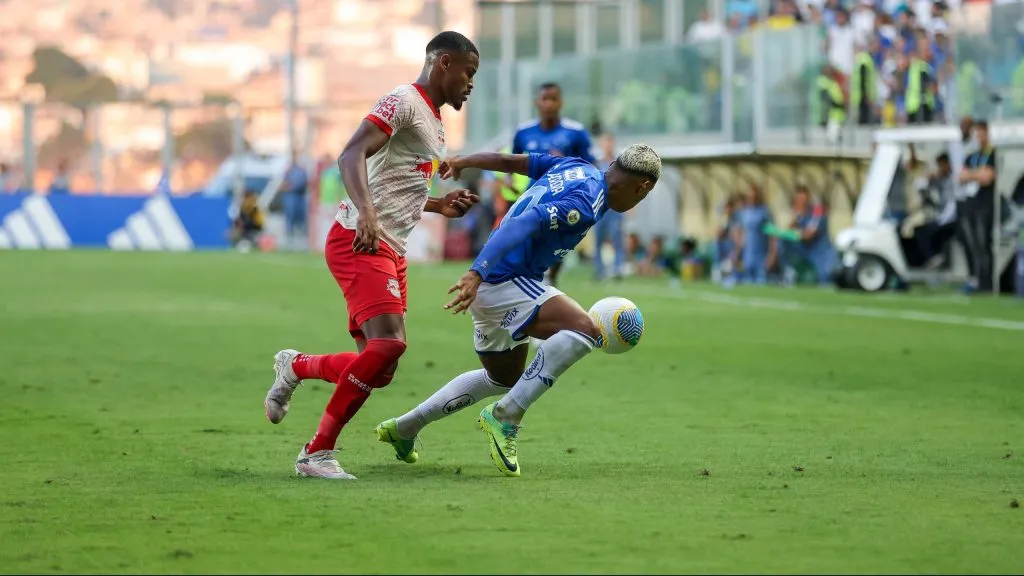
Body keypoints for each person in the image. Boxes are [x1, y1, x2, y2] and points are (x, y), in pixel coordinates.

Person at [262, 31, 481, 480]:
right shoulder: (402, 100)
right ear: (442, 63)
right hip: (359, 239)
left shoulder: (435, 124)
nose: (470, 82)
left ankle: (296, 365)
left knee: (380, 369)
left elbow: (396, 187)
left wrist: (440, 205)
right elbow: (350, 155)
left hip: (390, 248)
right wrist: (365, 212)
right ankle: (316, 453)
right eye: (468, 71)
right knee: (389, 343)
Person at [375, 145, 661, 477]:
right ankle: (506, 415)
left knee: (503, 377)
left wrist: (463, 160)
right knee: (586, 330)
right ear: (642, 187)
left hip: (497, 283)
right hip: (504, 281)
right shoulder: (586, 202)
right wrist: (477, 272)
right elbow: (528, 221)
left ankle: (405, 428)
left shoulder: (576, 166)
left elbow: (509, 162)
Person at [510, 82, 596, 288]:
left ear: (561, 102)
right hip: (533, 195)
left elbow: (590, 166)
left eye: (553, 99)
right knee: (527, 237)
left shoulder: (575, 132)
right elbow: (512, 159)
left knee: (558, 239)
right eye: (545, 98)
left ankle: (551, 280)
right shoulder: (524, 132)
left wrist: (565, 162)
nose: (549, 104)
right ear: (537, 102)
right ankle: (527, 279)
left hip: (564, 198)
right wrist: (508, 179)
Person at [959, 120, 997, 293]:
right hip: (971, 204)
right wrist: (977, 174)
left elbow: (987, 177)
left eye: (981, 133)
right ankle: (974, 278)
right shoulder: (971, 155)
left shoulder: (992, 154)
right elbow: (961, 176)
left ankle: (986, 282)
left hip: (985, 205)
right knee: (971, 244)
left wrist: (972, 175)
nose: (978, 137)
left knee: (984, 244)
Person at [592, 134, 625, 281]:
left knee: (616, 239)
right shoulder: (596, 163)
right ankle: (599, 271)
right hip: (599, 208)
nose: (607, 145)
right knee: (598, 241)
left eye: (610, 143)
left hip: (615, 208)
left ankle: (618, 269)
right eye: (605, 143)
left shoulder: (620, 163)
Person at [280, 151, 309, 250]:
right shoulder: (288, 170)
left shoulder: (302, 170)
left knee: (301, 221)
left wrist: (291, 186)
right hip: (290, 197)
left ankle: (301, 242)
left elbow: (304, 183)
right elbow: (283, 184)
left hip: (299, 197)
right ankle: (289, 242)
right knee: (290, 220)